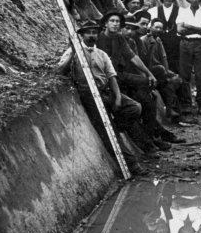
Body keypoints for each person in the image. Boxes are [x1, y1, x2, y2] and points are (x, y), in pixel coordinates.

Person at [56, 21, 146, 174]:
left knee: (135, 107)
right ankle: (133, 165)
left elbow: (111, 77)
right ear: (82, 35)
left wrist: (117, 98)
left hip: (105, 91)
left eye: (94, 33)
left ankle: (117, 125)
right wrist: (72, 52)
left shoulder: (102, 54)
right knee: (109, 132)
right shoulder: (74, 52)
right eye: (88, 33)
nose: (92, 36)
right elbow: (60, 71)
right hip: (89, 95)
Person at [97, 11, 167, 152]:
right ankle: (149, 144)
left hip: (120, 76)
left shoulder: (119, 38)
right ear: (105, 23)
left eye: (117, 22)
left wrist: (149, 74)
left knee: (148, 92)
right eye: (112, 21)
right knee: (136, 106)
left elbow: (132, 57)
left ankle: (153, 136)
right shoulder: (99, 39)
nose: (115, 24)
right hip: (107, 79)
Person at [134, 10, 184, 124]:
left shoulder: (158, 40)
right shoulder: (145, 40)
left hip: (158, 69)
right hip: (149, 70)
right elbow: (146, 61)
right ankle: (172, 110)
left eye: (160, 28)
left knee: (176, 78)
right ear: (150, 28)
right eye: (156, 27)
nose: (158, 30)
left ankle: (176, 111)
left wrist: (167, 72)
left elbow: (163, 57)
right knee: (164, 79)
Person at [178, 0, 201, 115]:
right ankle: (187, 104)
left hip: (199, 44)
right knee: (185, 75)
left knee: (200, 75)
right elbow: (180, 30)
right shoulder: (182, 12)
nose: (194, 0)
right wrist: (199, 29)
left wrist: (190, 27)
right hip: (185, 43)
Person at [148, 0, 185, 73]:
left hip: (175, 43)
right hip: (159, 41)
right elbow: (150, 27)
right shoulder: (153, 11)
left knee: (176, 65)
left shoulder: (182, 10)